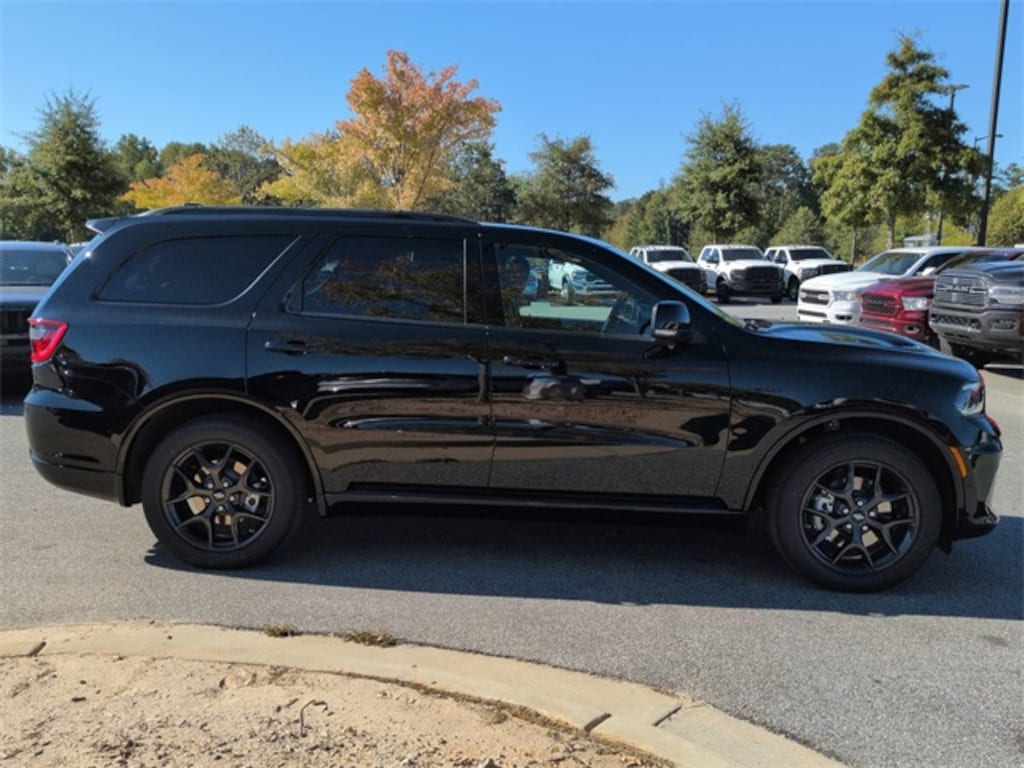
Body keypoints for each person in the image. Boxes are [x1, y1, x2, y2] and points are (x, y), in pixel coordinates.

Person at [499, 253, 532, 326]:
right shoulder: (500, 297)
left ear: (527, 276)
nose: (515, 275)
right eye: (512, 272)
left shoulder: (533, 300)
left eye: (520, 272)